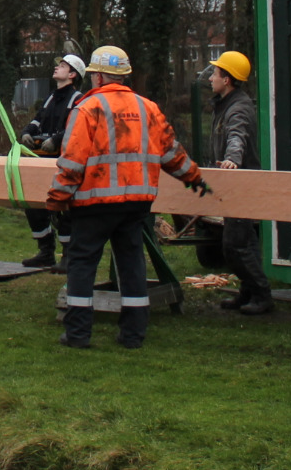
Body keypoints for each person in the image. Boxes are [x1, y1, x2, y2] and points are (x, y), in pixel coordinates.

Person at [46, 45, 209, 350]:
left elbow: (71, 161)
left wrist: (57, 199)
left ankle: (78, 333)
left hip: (93, 204)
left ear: (98, 76)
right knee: (132, 263)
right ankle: (133, 334)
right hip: (137, 203)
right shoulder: (148, 107)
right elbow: (172, 152)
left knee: (82, 264)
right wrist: (194, 177)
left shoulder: (87, 108)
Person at [206, 50, 270, 315]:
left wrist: (232, 159)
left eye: (216, 73)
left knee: (234, 245)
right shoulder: (226, 104)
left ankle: (262, 295)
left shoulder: (238, 107)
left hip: (241, 184)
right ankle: (248, 293)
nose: (211, 78)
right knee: (245, 243)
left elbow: (237, 134)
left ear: (228, 80)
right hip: (234, 184)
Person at [21, 53, 87, 268]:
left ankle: (68, 256)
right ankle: (45, 250)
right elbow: (37, 119)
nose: (57, 68)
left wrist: (57, 140)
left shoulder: (78, 99)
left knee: (64, 209)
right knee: (34, 205)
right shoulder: (51, 97)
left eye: (62, 66)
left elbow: (76, 128)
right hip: (42, 161)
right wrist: (27, 132)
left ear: (73, 74)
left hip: (63, 163)